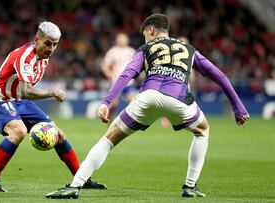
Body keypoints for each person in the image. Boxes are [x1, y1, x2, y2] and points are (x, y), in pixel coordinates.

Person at [45, 14, 250, 199]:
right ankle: (190, 186)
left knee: (108, 139)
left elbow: (126, 74)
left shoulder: (146, 48)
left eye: (145, 34)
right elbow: (219, 76)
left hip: (147, 97)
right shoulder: (189, 50)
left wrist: (107, 102)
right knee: (202, 131)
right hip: (178, 99)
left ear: (150, 30)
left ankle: (75, 186)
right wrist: (237, 107)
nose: (145, 38)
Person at [0, 21, 106, 192]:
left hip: (18, 101)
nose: (51, 48)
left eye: (55, 45)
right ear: (37, 39)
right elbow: (26, 91)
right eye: (47, 43)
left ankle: (81, 179)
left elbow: (20, 91)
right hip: (0, 99)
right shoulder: (25, 56)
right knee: (19, 131)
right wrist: (52, 92)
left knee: (58, 134)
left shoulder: (43, 59)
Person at [101, 33, 137, 120]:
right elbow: (105, 65)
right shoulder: (113, 52)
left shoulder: (131, 51)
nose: (122, 40)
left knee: (132, 102)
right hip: (116, 81)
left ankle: (128, 122)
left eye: (124, 39)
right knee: (114, 103)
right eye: (120, 39)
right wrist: (109, 74)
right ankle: (108, 120)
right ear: (117, 40)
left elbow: (137, 65)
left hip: (129, 82)